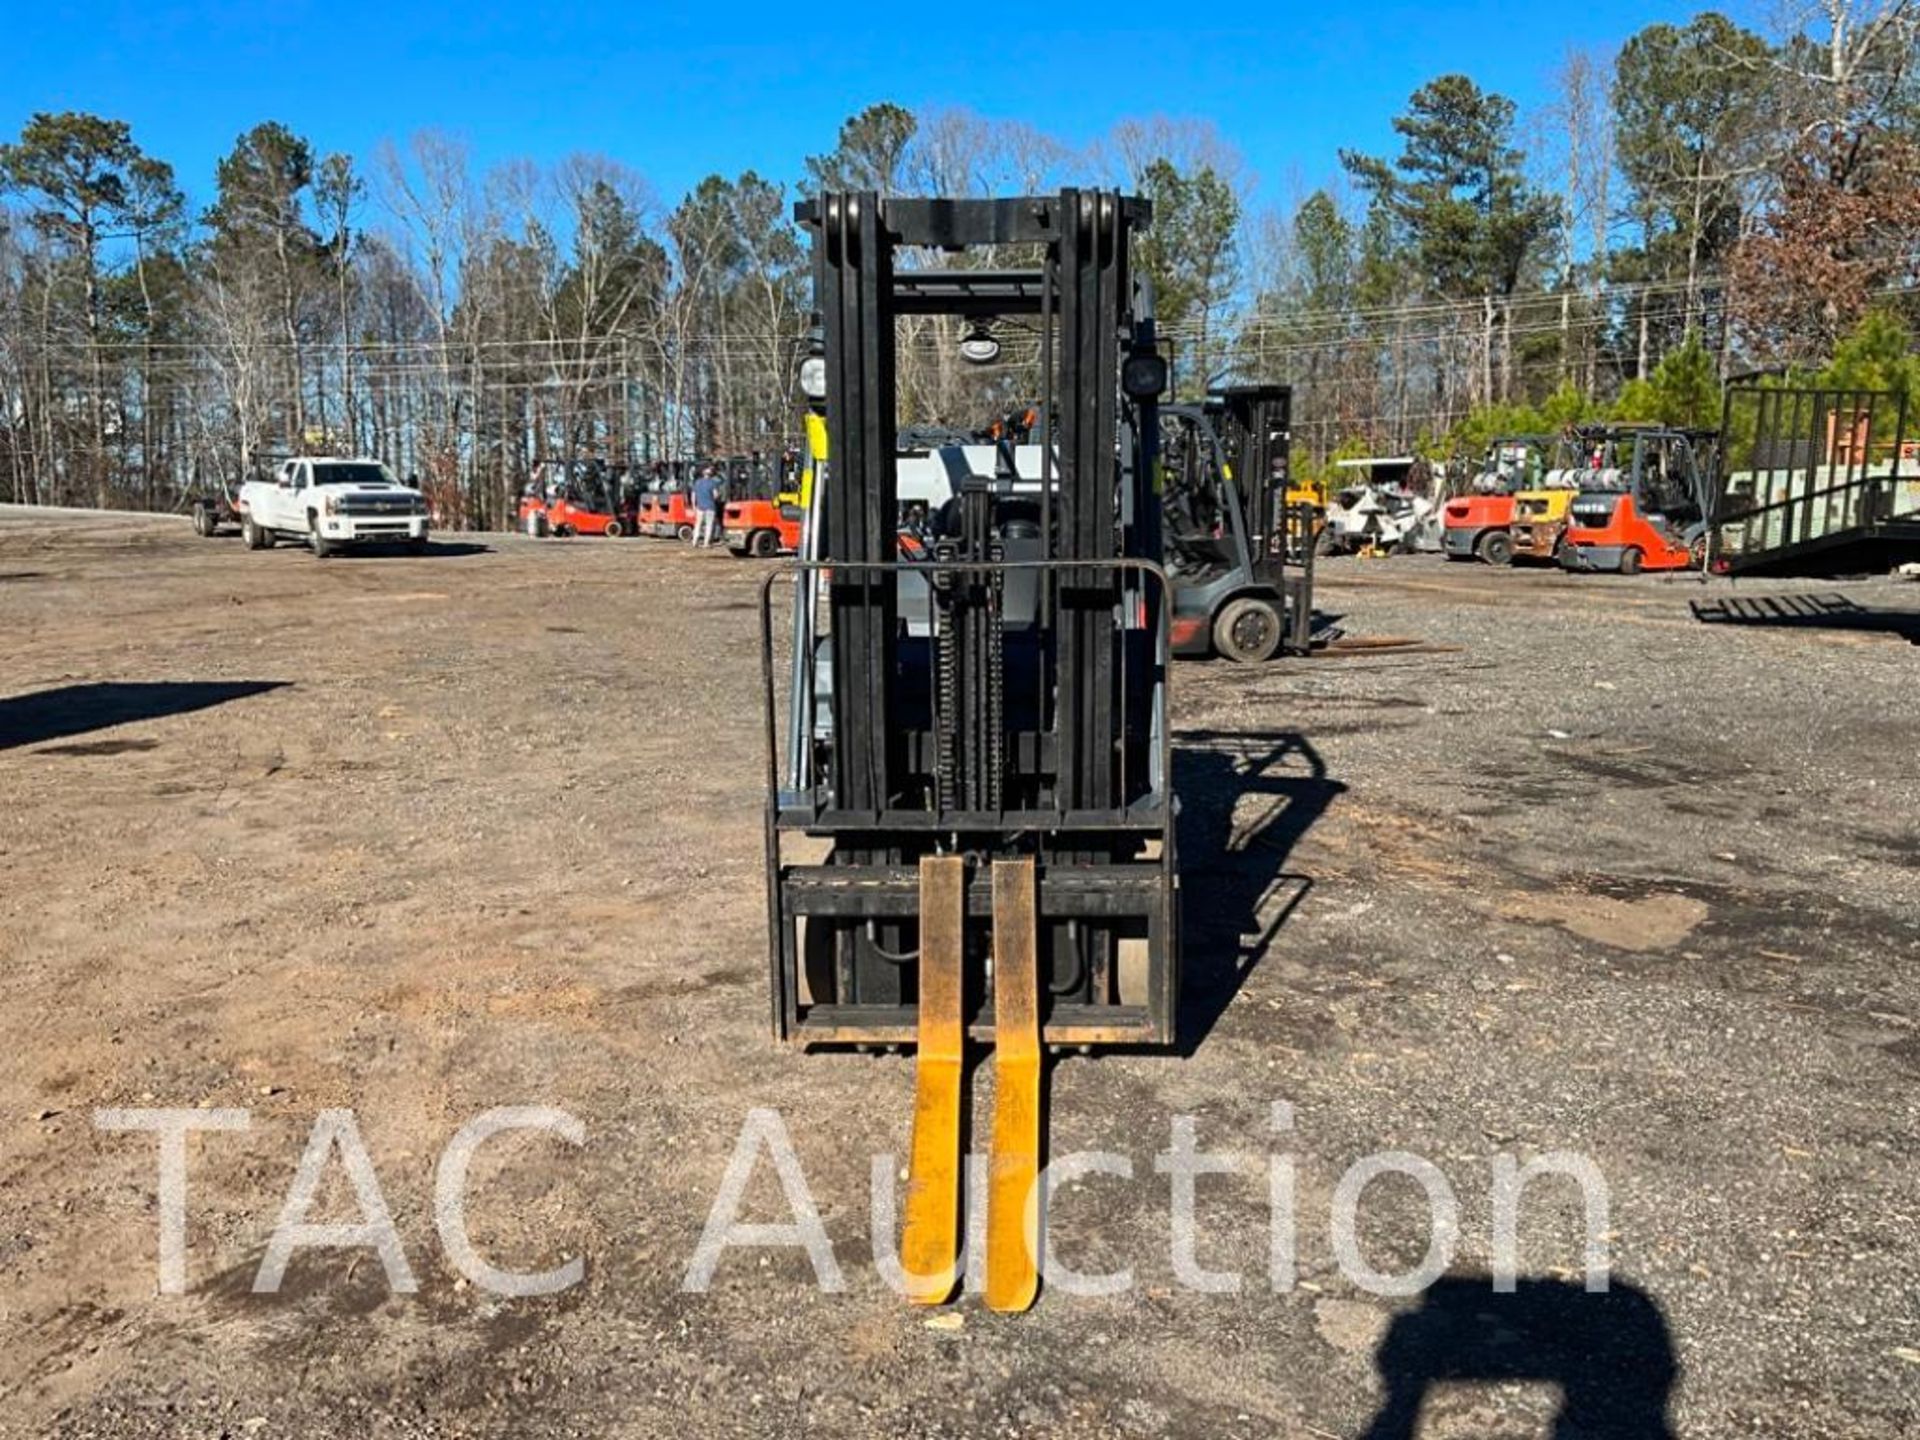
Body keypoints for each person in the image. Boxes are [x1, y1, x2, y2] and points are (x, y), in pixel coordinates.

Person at [690, 464, 721, 547]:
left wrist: (693, 506)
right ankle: (706, 543)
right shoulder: (713, 483)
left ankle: (694, 541)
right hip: (710, 507)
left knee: (698, 525)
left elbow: (693, 495)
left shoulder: (697, 482)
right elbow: (716, 495)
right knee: (709, 525)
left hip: (700, 507)